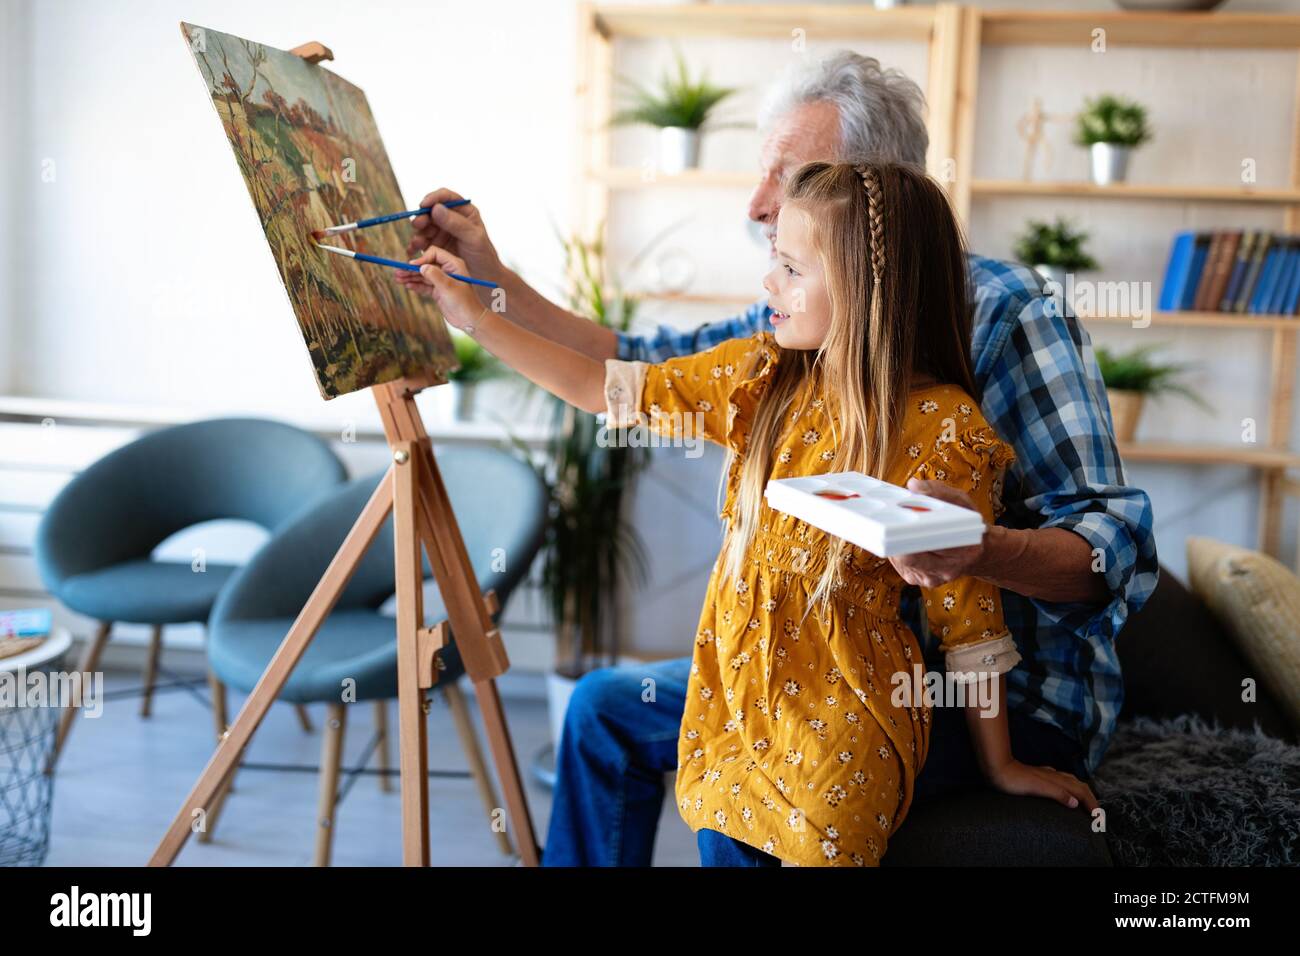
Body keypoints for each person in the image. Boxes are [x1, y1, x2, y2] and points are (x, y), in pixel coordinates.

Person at [404, 53, 1158, 866]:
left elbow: (1107, 547)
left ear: (871, 213)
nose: (760, 205)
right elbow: (620, 369)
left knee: (747, 791)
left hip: (971, 697)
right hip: (792, 668)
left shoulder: (1004, 325)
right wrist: (488, 287)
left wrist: (979, 549)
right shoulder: (781, 347)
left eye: (791, 176)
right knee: (604, 708)